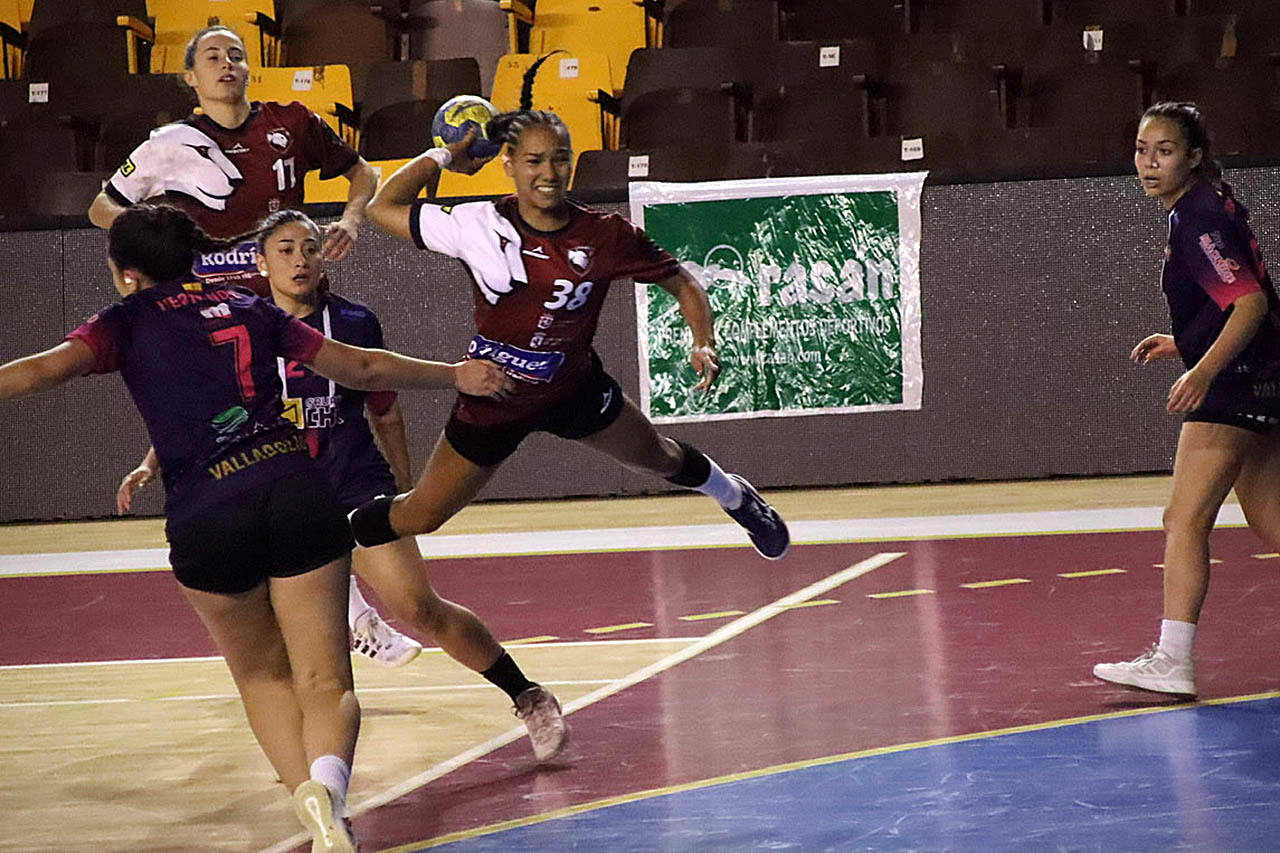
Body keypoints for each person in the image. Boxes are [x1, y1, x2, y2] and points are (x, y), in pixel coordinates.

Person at [0, 205, 510, 851]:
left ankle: (313, 811)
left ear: (125, 274)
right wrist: (453, 374)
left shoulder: (121, 322)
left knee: (263, 677)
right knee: (326, 683)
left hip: (205, 514)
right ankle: (330, 792)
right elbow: (363, 369)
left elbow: (42, 369)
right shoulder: (249, 308)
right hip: (292, 490)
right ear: (193, 257)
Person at [95, 23, 419, 667]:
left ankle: (340, 621)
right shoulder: (169, 146)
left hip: (282, 310)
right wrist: (172, 245)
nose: (226, 63)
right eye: (211, 55)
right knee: (251, 455)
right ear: (189, 77)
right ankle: (335, 625)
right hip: (212, 320)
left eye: (236, 54)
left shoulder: (290, 123)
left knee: (300, 452)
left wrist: (351, 219)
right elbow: (102, 209)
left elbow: (363, 172)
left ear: (251, 69)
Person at [350, 109, 789, 571]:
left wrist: (703, 340)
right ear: (509, 165)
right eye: (534, 161)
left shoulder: (605, 235)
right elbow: (382, 207)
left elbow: (683, 283)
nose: (548, 173)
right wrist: (446, 155)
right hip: (493, 393)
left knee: (658, 457)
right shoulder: (477, 224)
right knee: (422, 513)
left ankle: (735, 496)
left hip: (573, 389)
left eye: (560, 159)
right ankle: (328, 536)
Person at [251, 208, 569, 760]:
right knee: (299, 647)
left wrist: (402, 483)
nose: (299, 259)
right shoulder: (242, 329)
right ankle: (317, 766)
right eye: (284, 249)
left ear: (325, 256)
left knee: (420, 607)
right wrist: (155, 461)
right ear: (261, 262)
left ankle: (529, 695)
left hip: (354, 486)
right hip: (285, 497)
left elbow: (385, 408)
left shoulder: (352, 322)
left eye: (309, 247)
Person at [1093, 101, 1280, 697]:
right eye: (1142, 150)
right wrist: (1186, 342)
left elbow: (1249, 305)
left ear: (1193, 156)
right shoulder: (1201, 208)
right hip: (1259, 376)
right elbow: (1235, 301)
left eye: (1165, 151)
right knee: (1274, 523)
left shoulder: (1197, 218)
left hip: (1236, 383)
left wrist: (1202, 369)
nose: (1149, 164)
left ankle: (1173, 659)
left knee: (1184, 519)